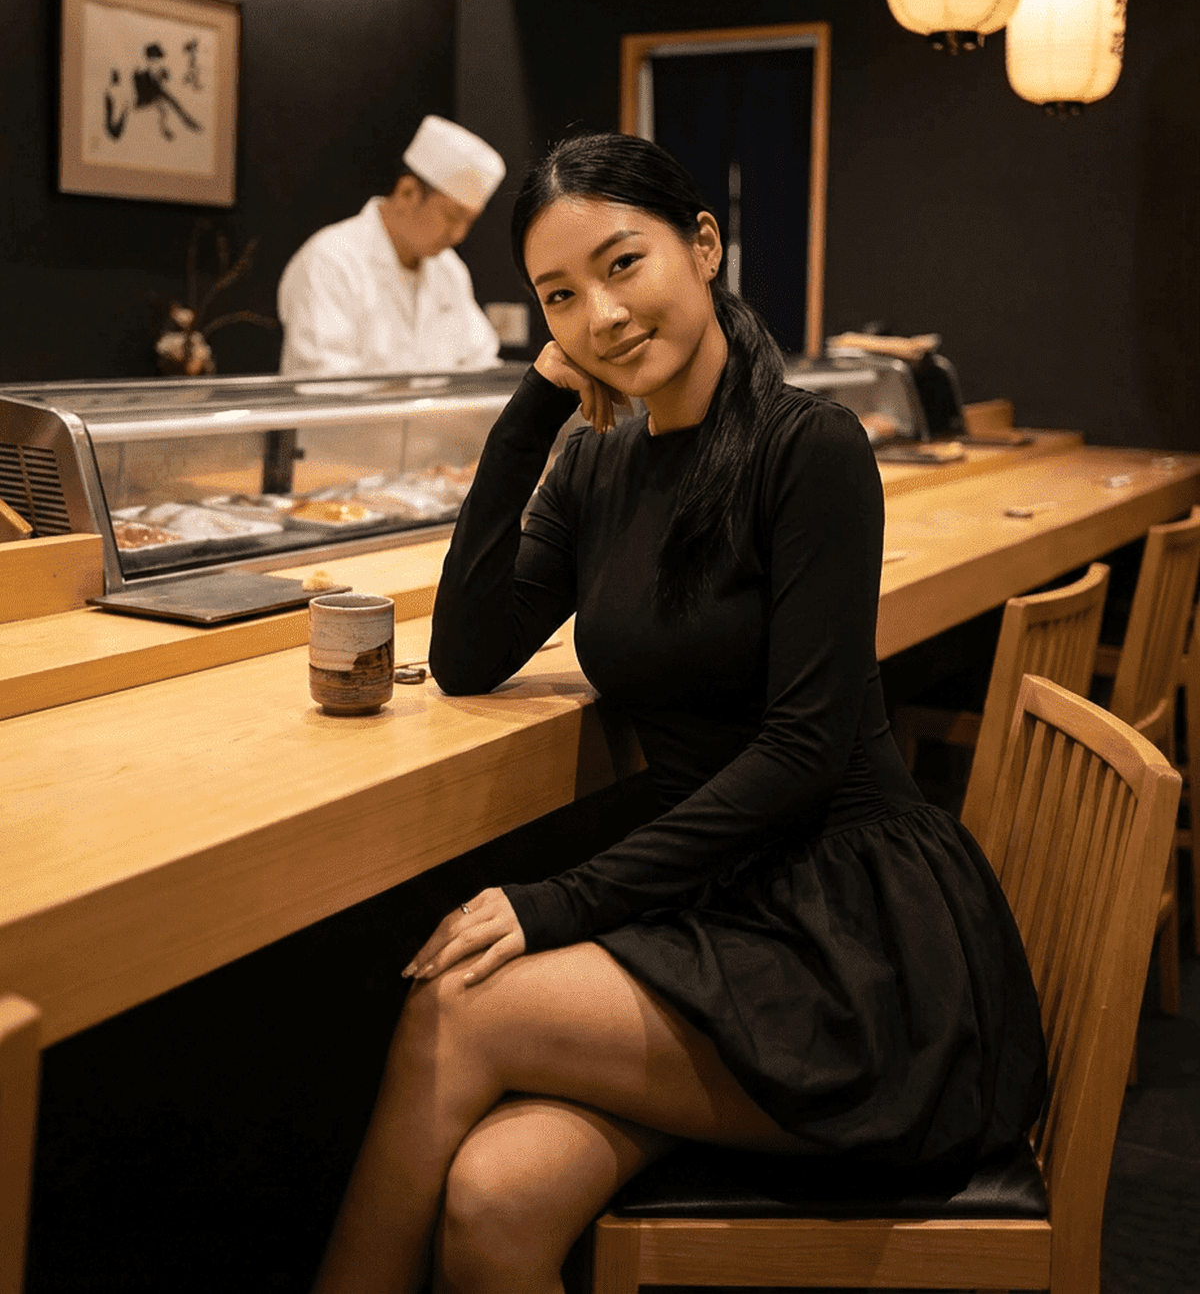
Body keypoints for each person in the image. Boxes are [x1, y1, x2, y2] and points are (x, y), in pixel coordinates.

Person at [311, 133, 1047, 1294]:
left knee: (455, 1008)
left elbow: (804, 752)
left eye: (622, 265)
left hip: (844, 941)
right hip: (712, 910)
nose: (599, 315)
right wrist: (532, 408)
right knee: (495, 1201)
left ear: (703, 246)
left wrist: (560, 902)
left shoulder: (811, 448)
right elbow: (466, 655)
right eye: (560, 295)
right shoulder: (597, 465)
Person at [277, 115, 505, 377]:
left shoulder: (449, 270)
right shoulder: (331, 260)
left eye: (469, 222)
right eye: (452, 217)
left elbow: (480, 364)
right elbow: (323, 380)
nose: (459, 235)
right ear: (408, 193)